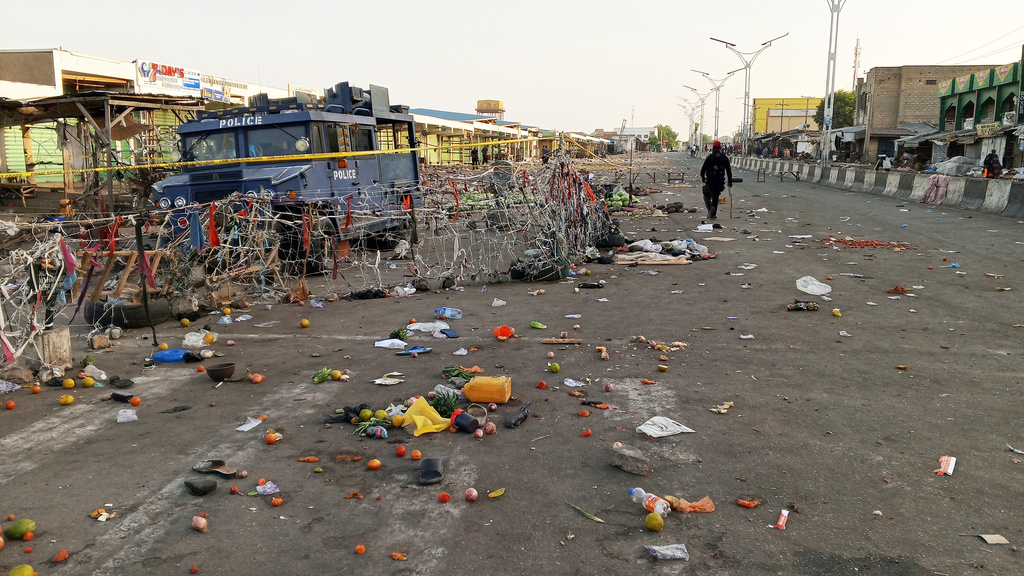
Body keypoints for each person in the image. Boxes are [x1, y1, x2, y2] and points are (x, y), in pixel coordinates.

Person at [699, 140, 733, 220]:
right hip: (720, 181)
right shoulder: (724, 158)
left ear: (713, 148)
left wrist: (703, 177)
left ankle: (710, 208)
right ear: (720, 148)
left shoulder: (710, 157)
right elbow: (728, 170)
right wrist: (729, 181)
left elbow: (703, 169)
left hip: (711, 180)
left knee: (706, 196)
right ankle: (713, 214)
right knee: (715, 197)